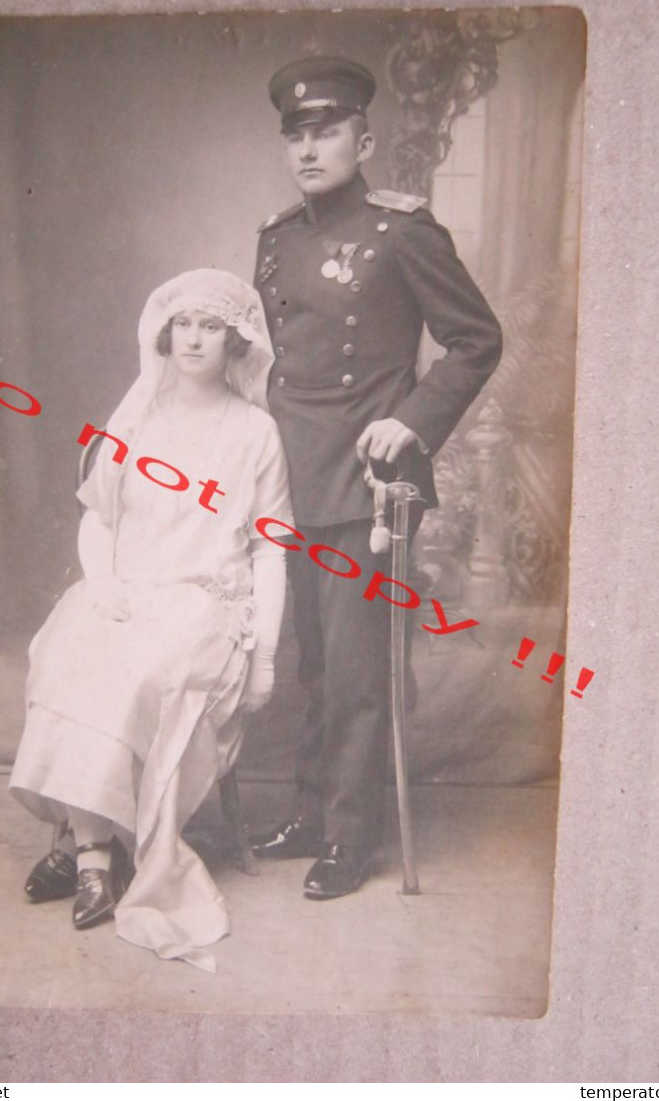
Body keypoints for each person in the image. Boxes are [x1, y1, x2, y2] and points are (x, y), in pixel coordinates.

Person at [250, 56, 503, 899]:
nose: (308, 149)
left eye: (324, 133)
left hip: (371, 479)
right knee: (312, 661)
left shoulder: (402, 230)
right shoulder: (276, 238)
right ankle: (313, 813)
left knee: (359, 669)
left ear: (362, 140)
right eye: (296, 135)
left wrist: (414, 423)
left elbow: (475, 338)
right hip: (290, 474)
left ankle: (350, 840)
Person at [9, 269, 291, 971]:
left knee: (133, 671)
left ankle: (83, 847)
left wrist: (264, 659)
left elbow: (271, 550)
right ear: (165, 334)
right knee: (72, 645)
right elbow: (97, 518)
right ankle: (95, 853)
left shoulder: (255, 432)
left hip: (206, 606)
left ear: (235, 339)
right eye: (184, 325)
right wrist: (102, 585)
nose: (194, 339)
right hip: (127, 588)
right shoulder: (134, 418)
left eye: (212, 326)